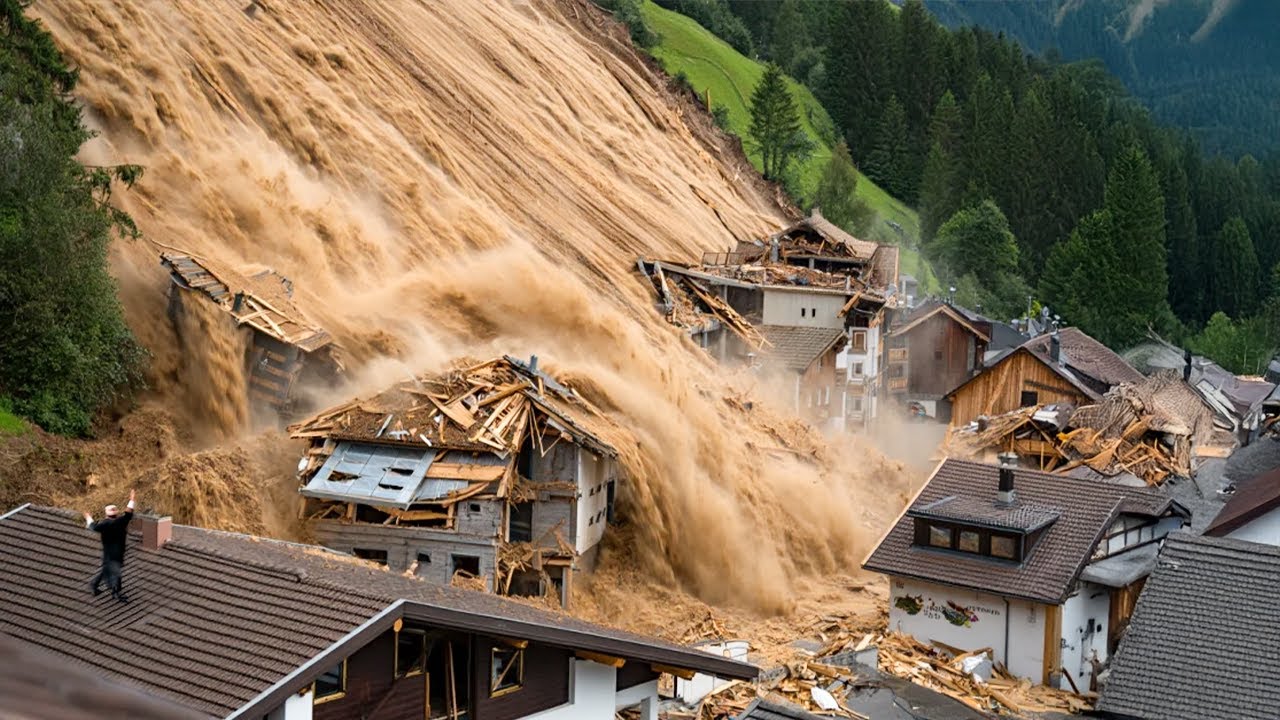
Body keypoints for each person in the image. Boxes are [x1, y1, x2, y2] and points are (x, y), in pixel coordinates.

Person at [84, 489, 136, 603]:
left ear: (106, 514)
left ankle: (94, 585)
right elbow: (129, 513)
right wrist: (132, 499)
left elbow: (93, 526)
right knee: (115, 572)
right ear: (116, 513)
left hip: (108, 553)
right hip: (118, 552)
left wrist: (88, 516)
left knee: (107, 569)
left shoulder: (104, 525)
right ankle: (116, 593)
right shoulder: (121, 521)